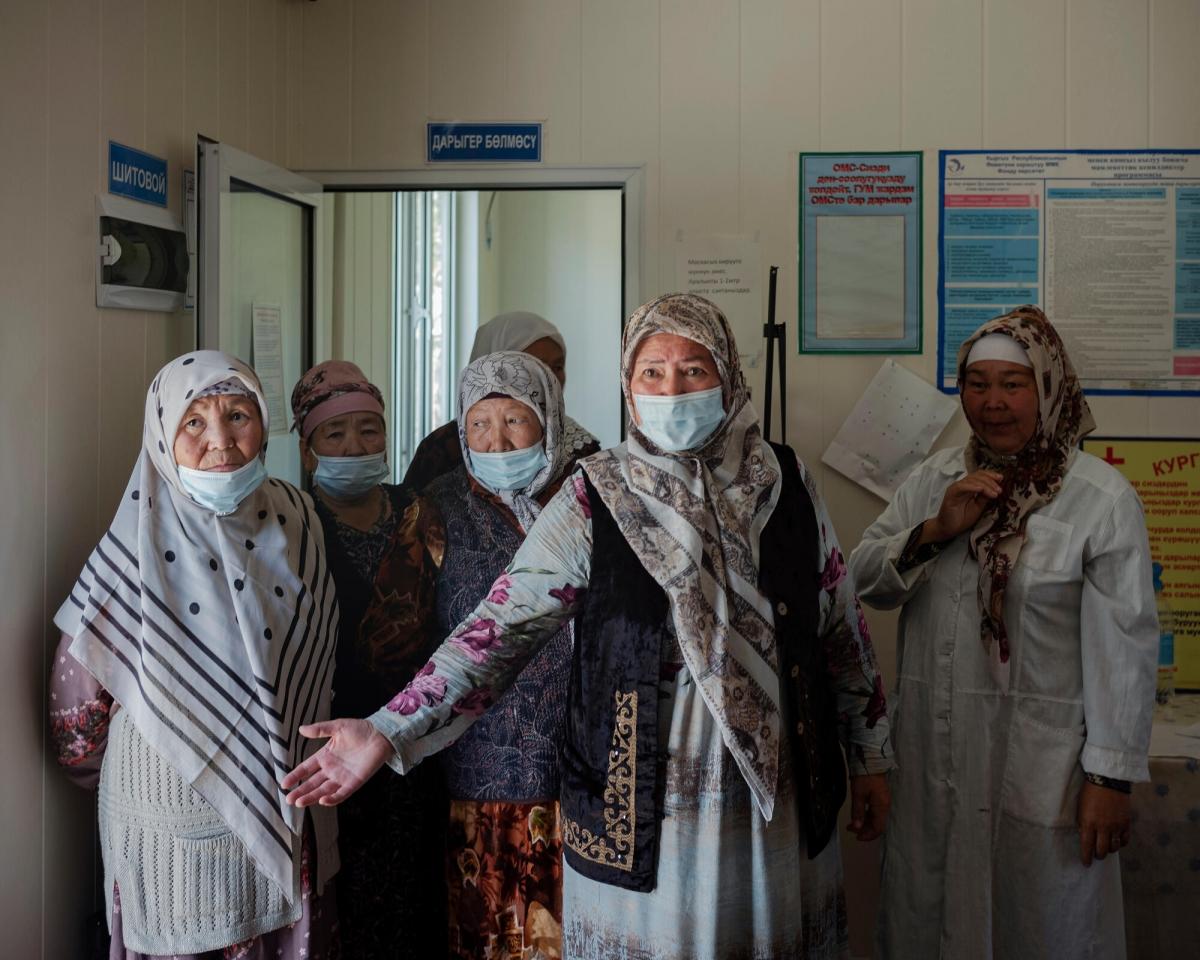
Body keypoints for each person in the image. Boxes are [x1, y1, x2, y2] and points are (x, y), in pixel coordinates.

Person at [283, 294, 894, 960]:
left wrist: (869, 757)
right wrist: (387, 729)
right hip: (642, 807)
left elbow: (841, 633)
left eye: (693, 370)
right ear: (628, 387)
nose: (672, 389)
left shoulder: (788, 483)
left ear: (728, 375)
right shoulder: (596, 494)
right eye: (651, 373)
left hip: (778, 800)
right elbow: (495, 632)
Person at [848, 306, 1157, 959]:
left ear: (1047, 388)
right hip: (935, 757)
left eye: (1012, 384)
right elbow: (862, 581)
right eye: (976, 383)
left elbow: (1124, 647)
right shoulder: (933, 481)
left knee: (1044, 926)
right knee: (931, 921)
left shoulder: (1098, 498)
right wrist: (933, 532)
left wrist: (1111, 778)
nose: (992, 403)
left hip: (1046, 769)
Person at [50, 351, 340, 959]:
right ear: (162, 435)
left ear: (263, 424)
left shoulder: (297, 523)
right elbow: (77, 731)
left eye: (238, 416)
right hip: (170, 839)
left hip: (286, 819)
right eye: (194, 424)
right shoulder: (129, 553)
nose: (221, 442)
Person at [422, 351, 584, 959]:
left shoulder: (591, 494)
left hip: (582, 776)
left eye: (515, 419)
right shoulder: (437, 506)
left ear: (549, 416)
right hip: (477, 777)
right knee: (488, 937)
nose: (497, 440)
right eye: (479, 423)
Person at [290, 360, 449, 958]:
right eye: (335, 434)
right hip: (327, 753)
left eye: (369, 430)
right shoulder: (288, 523)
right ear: (308, 450)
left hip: (420, 746)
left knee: (418, 908)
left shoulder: (425, 515)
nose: (355, 446)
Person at [402, 310, 599, 491]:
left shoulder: (582, 448)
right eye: (532, 367)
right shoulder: (441, 451)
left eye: (557, 367)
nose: (549, 379)